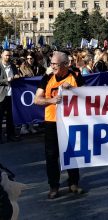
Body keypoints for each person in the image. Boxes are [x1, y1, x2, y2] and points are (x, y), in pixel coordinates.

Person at [33, 51, 84, 199]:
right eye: (52, 63)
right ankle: (53, 186)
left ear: (65, 65)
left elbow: (87, 94)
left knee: (71, 152)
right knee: (51, 155)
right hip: (52, 121)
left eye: (55, 64)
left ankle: (73, 183)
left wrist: (73, 89)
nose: (52, 66)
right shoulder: (47, 77)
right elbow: (37, 99)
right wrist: (52, 100)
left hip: (71, 121)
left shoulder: (75, 75)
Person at [0, 50, 21, 144]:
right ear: (1, 55)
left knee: (11, 117)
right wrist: (7, 79)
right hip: (1, 95)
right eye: (6, 55)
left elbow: (17, 74)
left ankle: (10, 136)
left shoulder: (12, 65)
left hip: (11, 95)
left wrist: (17, 75)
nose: (8, 57)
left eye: (9, 55)